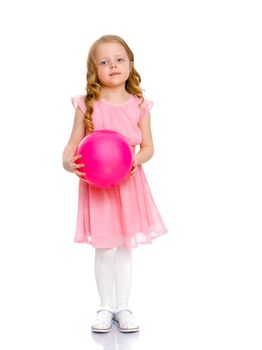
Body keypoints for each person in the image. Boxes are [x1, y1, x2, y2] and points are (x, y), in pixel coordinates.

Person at [62, 35, 168, 333]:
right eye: (104, 61)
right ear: (94, 70)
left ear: (131, 65)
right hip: (98, 189)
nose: (113, 65)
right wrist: (68, 163)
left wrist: (137, 160)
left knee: (124, 248)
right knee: (104, 249)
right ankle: (105, 306)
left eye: (119, 59)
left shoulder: (139, 106)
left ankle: (123, 306)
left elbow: (148, 147)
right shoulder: (87, 105)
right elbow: (70, 146)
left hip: (129, 185)